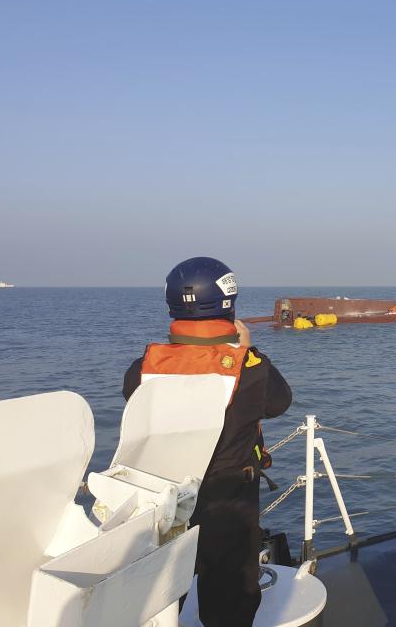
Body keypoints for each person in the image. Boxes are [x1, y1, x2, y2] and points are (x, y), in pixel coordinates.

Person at [123, 256, 292, 627]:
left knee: (161, 600)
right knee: (230, 601)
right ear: (228, 303)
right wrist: (247, 349)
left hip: (165, 501)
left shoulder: (143, 368)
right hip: (229, 501)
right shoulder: (250, 369)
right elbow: (280, 402)